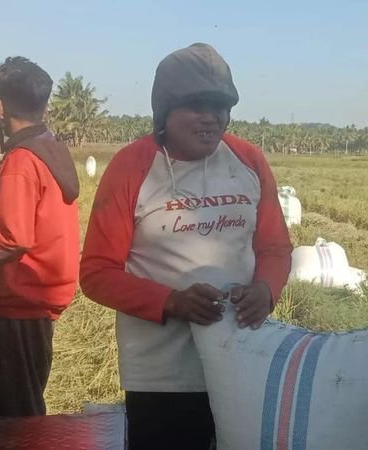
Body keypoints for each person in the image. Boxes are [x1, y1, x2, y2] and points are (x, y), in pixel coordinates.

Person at [80, 43, 292, 450]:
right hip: (162, 378)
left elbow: (275, 248)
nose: (212, 117)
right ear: (164, 111)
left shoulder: (248, 161)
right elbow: (96, 273)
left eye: (221, 106)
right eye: (197, 105)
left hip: (240, 363)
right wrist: (170, 302)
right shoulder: (132, 165)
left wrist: (266, 289)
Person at [0, 57, 80, 416]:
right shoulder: (50, 146)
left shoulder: (21, 161)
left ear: (0, 107)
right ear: (44, 105)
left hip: (20, 299)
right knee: (23, 394)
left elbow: (12, 238)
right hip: (43, 296)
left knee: (18, 408)